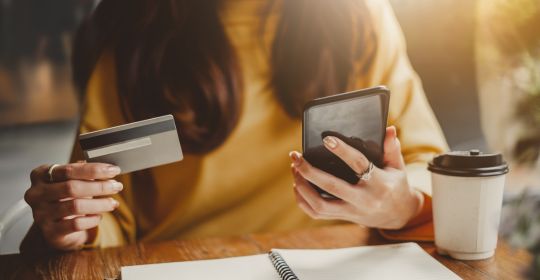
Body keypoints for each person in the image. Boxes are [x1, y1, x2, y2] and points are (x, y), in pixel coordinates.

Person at [21, 0, 447, 252]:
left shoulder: (360, 18)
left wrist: (403, 205)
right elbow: (112, 214)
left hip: (347, 262)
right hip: (179, 265)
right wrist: (81, 223)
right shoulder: (132, 38)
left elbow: (428, 163)